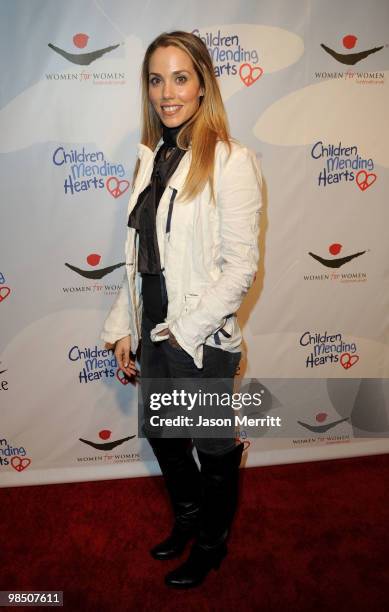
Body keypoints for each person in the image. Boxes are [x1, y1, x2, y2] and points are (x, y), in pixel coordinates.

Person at [101, 30, 263, 589]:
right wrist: (128, 326)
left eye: (180, 77)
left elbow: (240, 267)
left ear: (202, 86)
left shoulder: (231, 161)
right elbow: (139, 256)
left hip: (201, 335)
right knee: (167, 438)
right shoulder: (153, 158)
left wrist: (182, 332)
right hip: (154, 326)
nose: (167, 92)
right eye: (155, 79)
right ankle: (188, 519)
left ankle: (213, 545)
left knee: (213, 446)